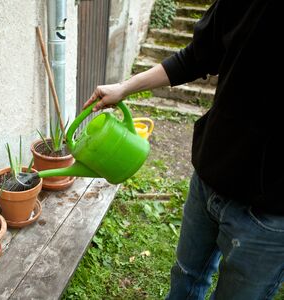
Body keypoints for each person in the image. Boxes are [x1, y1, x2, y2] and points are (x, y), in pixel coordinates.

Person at [84, 0, 283, 299]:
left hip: (269, 214)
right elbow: (197, 56)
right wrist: (125, 87)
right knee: (185, 279)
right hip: (208, 179)